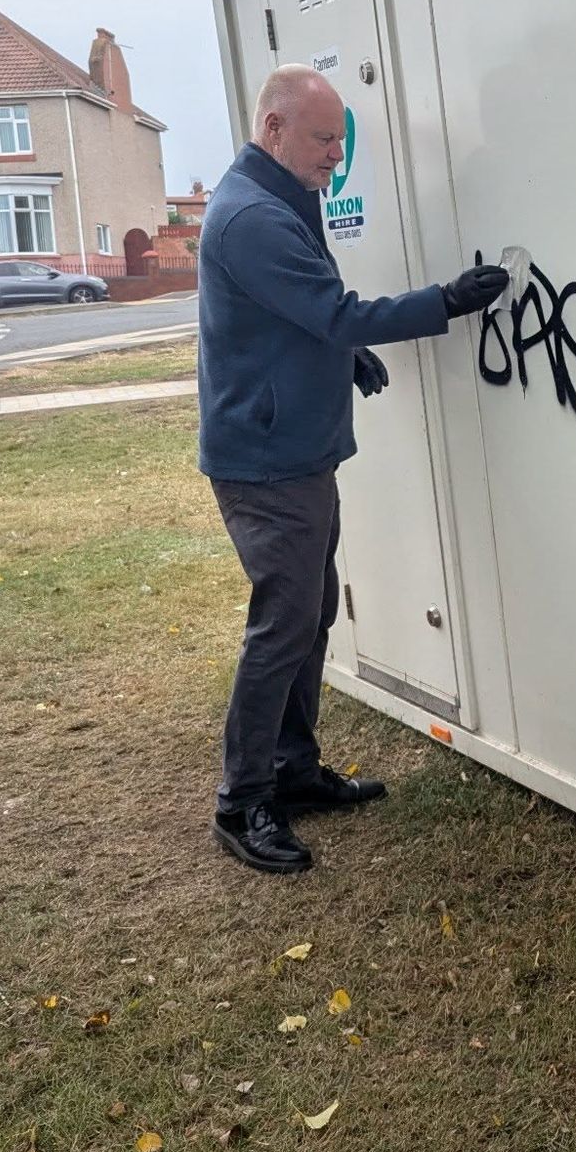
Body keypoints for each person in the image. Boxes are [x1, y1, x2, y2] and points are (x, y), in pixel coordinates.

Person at [198, 64, 508, 875]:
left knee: (312, 615)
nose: (337, 155)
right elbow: (331, 310)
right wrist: (445, 300)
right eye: (324, 138)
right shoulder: (251, 218)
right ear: (273, 128)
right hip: (267, 465)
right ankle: (242, 801)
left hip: (296, 450)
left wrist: (346, 358)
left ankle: (292, 772)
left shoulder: (275, 200)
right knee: (284, 626)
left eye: (341, 139)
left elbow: (299, 319)